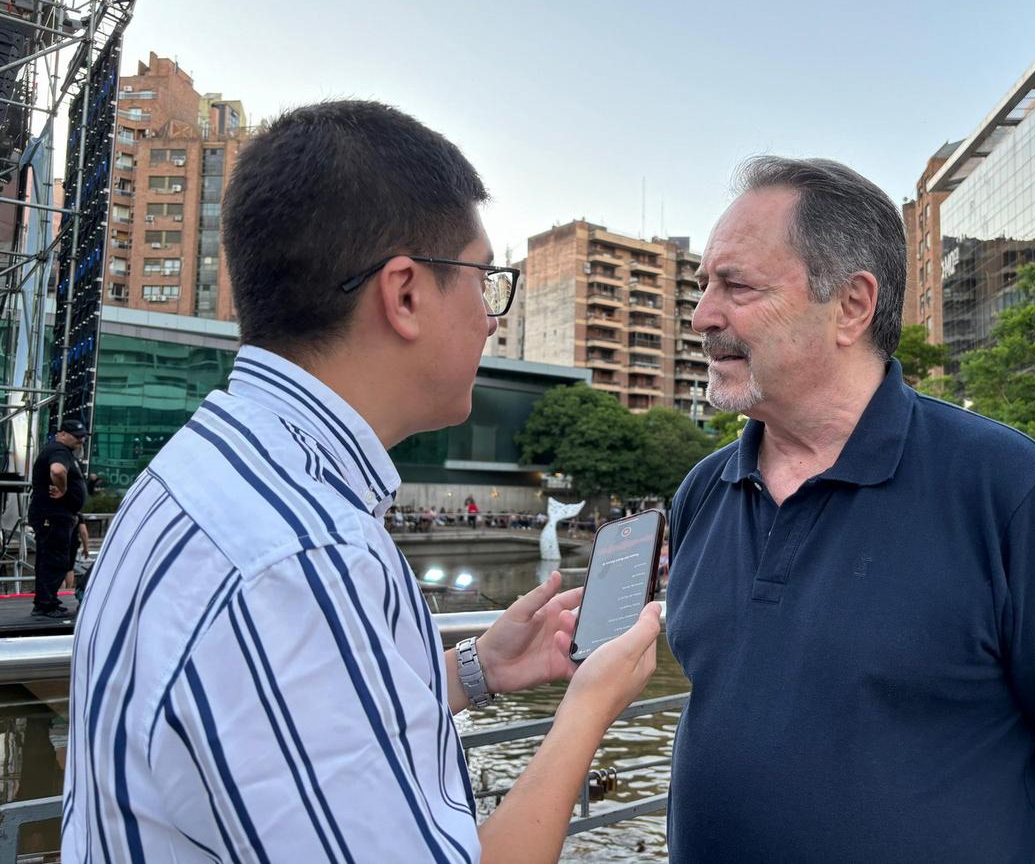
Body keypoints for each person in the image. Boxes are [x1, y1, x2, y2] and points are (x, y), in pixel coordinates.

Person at [64, 101, 661, 862]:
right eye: (485, 279)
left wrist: (476, 671)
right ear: (405, 293)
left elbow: (275, 733)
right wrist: (589, 707)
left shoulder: (213, 470)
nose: (490, 318)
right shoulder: (299, 557)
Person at [665, 157, 1035, 863]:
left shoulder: (1016, 495)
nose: (701, 316)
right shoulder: (705, 490)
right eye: (703, 285)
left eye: (735, 286)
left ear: (852, 305)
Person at [27, 419, 88, 617]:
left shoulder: (61, 451)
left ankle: (48, 600)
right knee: (53, 559)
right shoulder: (59, 451)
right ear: (62, 434)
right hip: (52, 515)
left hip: (55, 515)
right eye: (76, 436)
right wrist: (63, 489)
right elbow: (57, 470)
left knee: (53, 558)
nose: (81, 440)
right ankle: (46, 605)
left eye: (82, 437)